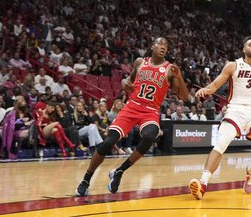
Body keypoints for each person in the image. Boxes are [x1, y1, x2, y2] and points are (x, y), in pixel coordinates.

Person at [75, 37, 188, 196]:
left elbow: (184, 96)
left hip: (150, 111)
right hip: (131, 106)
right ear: (152, 46)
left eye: (166, 45)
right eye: (160, 43)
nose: (163, 47)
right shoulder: (140, 62)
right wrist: (123, 83)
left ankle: (119, 171)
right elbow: (128, 81)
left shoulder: (170, 69)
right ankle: (86, 180)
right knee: (107, 143)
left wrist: (180, 76)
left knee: (150, 136)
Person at [188, 35, 251, 200]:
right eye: (250, 45)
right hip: (235, 110)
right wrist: (206, 89)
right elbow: (215, 85)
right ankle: (203, 184)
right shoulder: (232, 65)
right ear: (243, 49)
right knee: (221, 143)